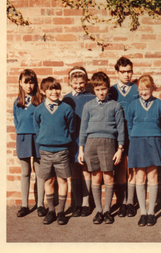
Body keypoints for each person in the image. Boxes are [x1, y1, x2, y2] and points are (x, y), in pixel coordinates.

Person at [78, 72, 125, 224]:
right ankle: (98, 210)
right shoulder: (88, 106)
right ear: (94, 90)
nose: (101, 92)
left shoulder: (115, 106)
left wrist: (120, 149)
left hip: (109, 143)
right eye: (98, 90)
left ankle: (107, 210)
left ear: (108, 88)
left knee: (108, 176)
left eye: (103, 89)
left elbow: (121, 128)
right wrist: (81, 149)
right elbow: (83, 128)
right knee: (95, 177)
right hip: (91, 143)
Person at [126, 75, 161, 227]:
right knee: (140, 177)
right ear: (138, 90)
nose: (144, 92)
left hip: (154, 141)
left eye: (147, 89)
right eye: (141, 89)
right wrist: (136, 136)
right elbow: (129, 125)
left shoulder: (160, 104)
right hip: (137, 142)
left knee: (152, 176)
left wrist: (155, 134)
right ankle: (143, 212)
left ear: (152, 88)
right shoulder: (132, 105)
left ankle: (151, 212)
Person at [33, 77, 75, 225]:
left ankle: (61, 212)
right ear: (44, 91)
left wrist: (62, 140)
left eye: (57, 88)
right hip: (45, 151)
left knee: (62, 180)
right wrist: (45, 140)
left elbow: (71, 129)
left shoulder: (66, 109)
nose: (54, 92)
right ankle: (51, 211)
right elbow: (37, 129)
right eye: (50, 89)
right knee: (48, 180)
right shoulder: (38, 110)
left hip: (62, 151)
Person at [62, 66, 95, 217]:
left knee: (86, 170)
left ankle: (87, 204)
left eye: (81, 83)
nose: (78, 86)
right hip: (72, 140)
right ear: (69, 82)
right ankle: (77, 204)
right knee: (75, 172)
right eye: (75, 83)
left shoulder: (91, 97)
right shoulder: (66, 99)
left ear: (86, 82)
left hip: (87, 138)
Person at [13, 69, 46, 218]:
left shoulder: (41, 100)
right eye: (26, 82)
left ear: (35, 83)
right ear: (20, 83)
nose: (29, 86)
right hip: (23, 139)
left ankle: (40, 205)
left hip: (38, 138)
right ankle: (25, 205)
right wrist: (22, 134)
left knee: (39, 172)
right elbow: (16, 121)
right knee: (25, 172)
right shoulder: (17, 102)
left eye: (31, 82)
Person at [109, 56, 139, 218]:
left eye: (129, 71)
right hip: (117, 135)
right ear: (117, 72)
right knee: (120, 169)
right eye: (123, 72)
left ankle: (130, 203)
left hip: (133, 134)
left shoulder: (136, 89)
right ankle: (121, 202)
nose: (127, 75)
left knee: (132, 168)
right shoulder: (112, 90)